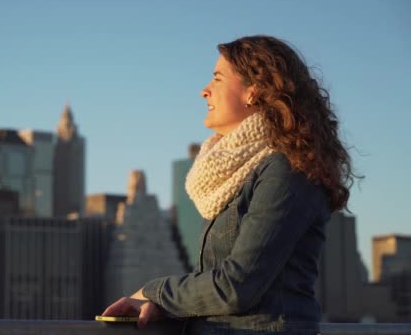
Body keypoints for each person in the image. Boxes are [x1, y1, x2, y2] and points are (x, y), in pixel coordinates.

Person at [102, 35, 357, 334]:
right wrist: (165, 307)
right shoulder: (246, 172)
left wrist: (153, 292)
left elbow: (237, 285)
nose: (204, 91)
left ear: (254, 91)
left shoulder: (287, 169)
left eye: (217, 79)